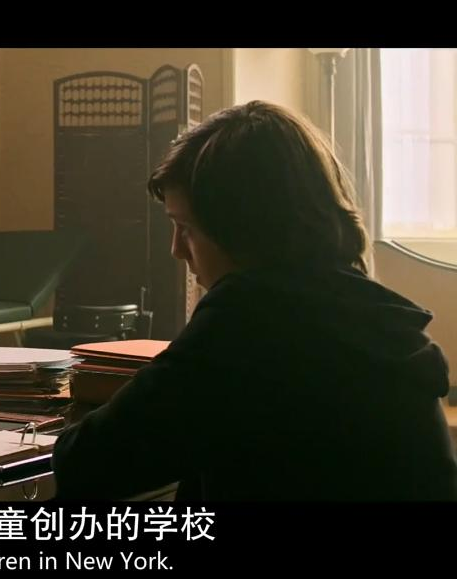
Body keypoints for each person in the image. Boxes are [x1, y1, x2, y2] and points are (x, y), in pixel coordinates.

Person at [52, 100, 457, 501]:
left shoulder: (246, 319)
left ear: (240, 228)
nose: (176, 249)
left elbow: (87, 462)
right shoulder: (377, 318)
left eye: (186, 228)